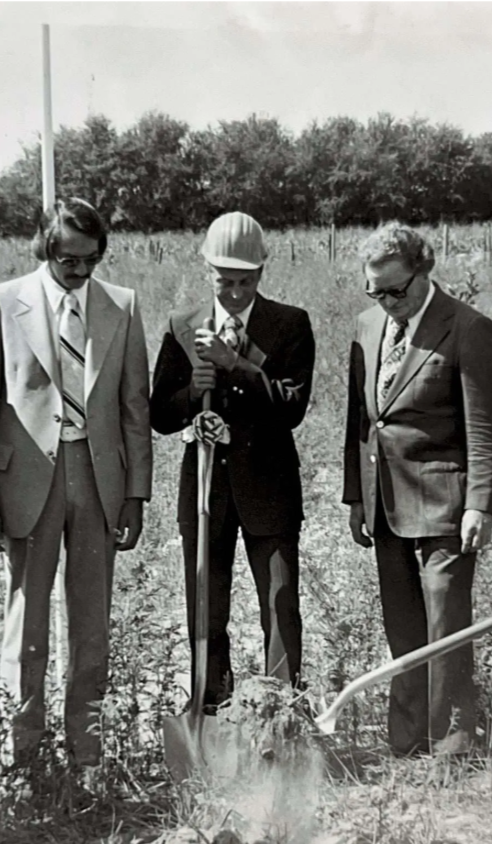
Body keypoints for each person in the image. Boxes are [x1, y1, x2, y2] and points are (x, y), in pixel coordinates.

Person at [0, 199, 152, 783]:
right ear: (46, 247)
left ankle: (86, 756)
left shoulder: (122, 305)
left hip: (98, 480)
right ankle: (23, 757)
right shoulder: (1, 300)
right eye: (69, 259)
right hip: (26, 483)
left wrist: (136, 493)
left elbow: (133, 406)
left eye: (91, 260)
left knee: (92, 622)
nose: (79, 271)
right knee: (29, 619)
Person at [342, 222, 492, 757]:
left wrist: (480, 504)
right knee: (403, 629)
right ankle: (407, 742)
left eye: (398, 290)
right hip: (386, 504)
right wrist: (355, 498)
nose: (388, 301)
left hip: (445, 505)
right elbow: (360, 422)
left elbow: (486, 428)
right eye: (377, 291)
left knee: (447, 629)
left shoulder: (468, 328)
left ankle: (451, 746)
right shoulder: (367, 327)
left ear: (425, 270)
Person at [150, 211, 315, 708]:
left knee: (280, 604)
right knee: (205, 608)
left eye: (246, 281)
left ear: (262, 273)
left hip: (269, 491)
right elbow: (159, 413)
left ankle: (279, 711)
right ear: (208, 272)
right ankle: (210, 707)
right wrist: (189, 395)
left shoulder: (289, 325)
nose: (236, 293)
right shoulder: (182, 326)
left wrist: (236, 366)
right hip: (205, 493)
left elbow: (292, 408)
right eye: (225, 282)